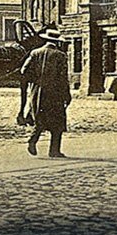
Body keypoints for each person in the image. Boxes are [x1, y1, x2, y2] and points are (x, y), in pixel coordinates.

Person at [20, 26, 72, 159]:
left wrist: (35, 81)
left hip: (37, 92)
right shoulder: (60, 55)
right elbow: (63, 78)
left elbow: (23, 71)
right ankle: (54, 151)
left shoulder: (34, 53)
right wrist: (67, 95)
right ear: (58, 42)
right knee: (58, 122)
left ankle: (33, 140)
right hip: (54, 93)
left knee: (40, 118)